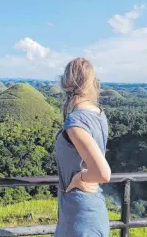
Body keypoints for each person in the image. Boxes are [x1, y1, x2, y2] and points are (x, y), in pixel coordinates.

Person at [54, 57, 111, 237]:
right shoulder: (98, 114)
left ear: (64, 83)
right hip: (89, 208)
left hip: (80, 212)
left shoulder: (75, 121)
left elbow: (103, 173)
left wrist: (78, 178)